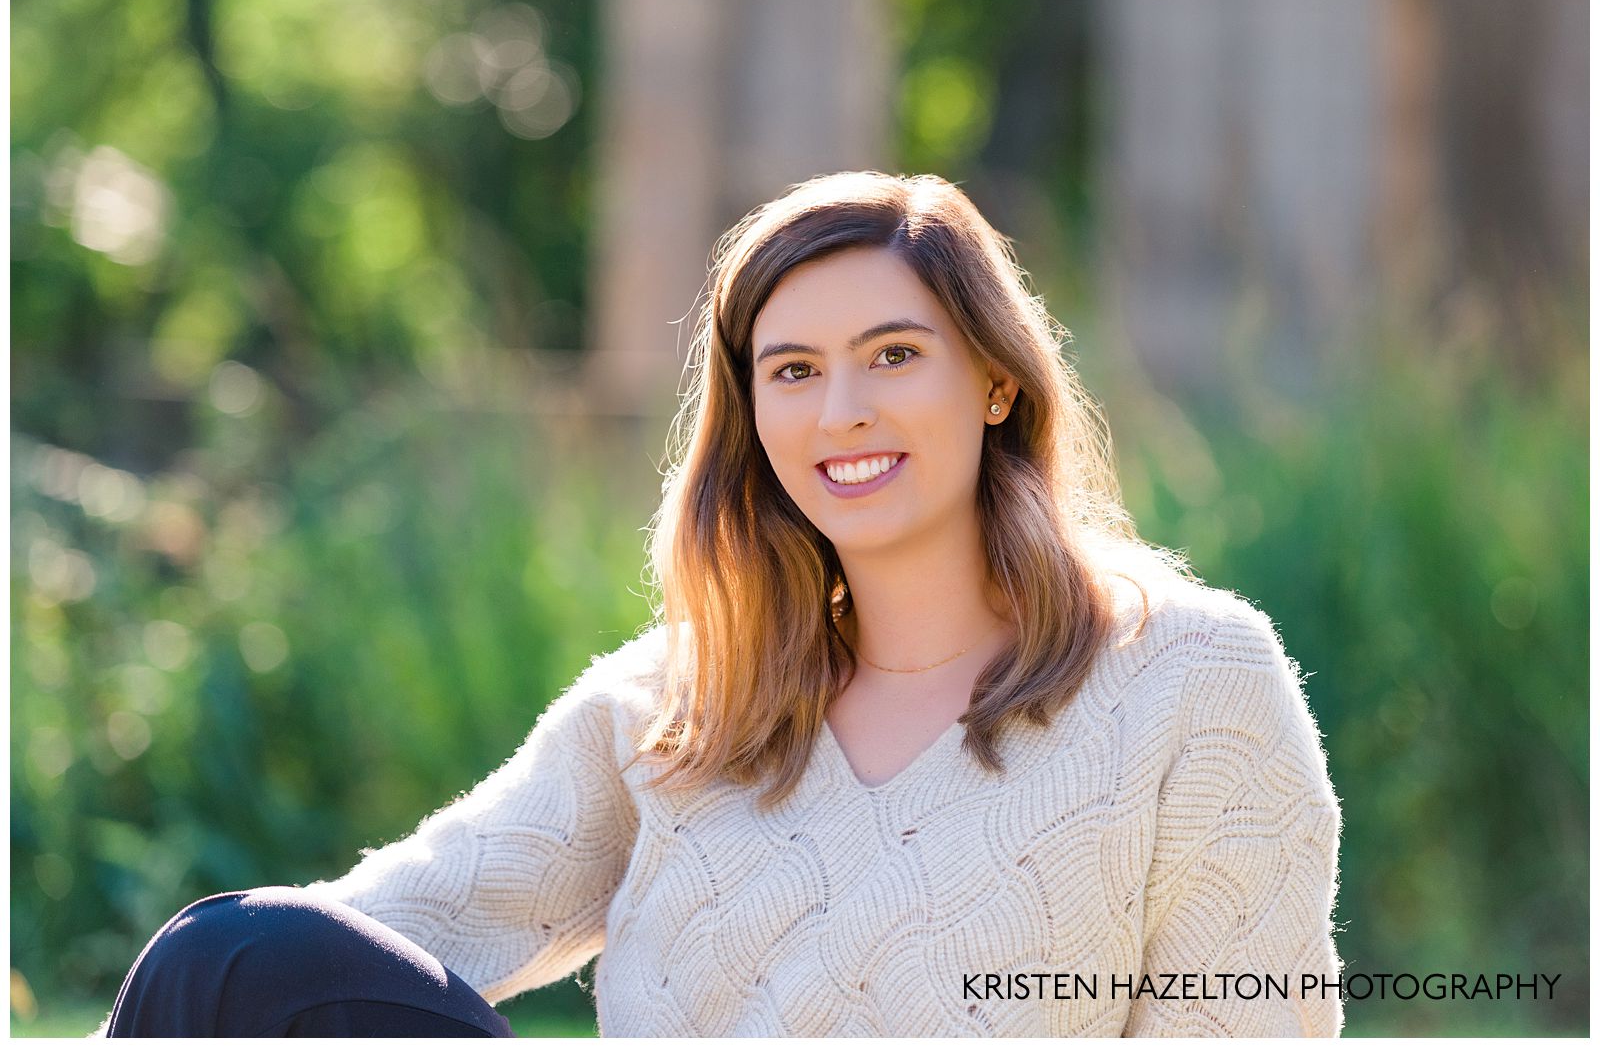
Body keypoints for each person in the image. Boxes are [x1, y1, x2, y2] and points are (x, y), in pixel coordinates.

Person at [100, 171, 1342, 1037]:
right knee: (230, 958)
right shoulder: (681, 699)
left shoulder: (1192, 680)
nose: (840, 409)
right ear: (753, 419)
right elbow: (371, 943)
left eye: (894, 354)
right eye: (792, 372)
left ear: (996, 383)